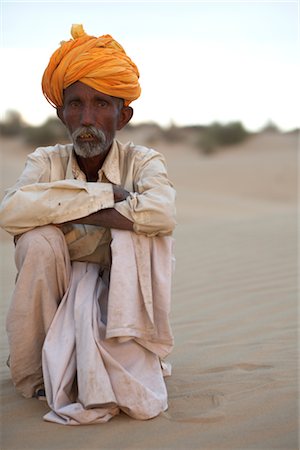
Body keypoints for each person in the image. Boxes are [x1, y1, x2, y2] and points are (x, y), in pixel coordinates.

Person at [0, 24, 176, 425]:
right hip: (59, 288)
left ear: (123, 115)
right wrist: (106, 197)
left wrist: (62, 209)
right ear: (62, 113)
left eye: (100, 104)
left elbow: (163, 212)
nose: (87, 118)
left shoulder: (142, 161)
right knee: (39, 241)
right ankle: (40, 370)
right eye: (76, 104)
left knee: (148, 237)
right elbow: (10, 211)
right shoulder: (45, 161)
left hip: (120, 292)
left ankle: (130, 350)